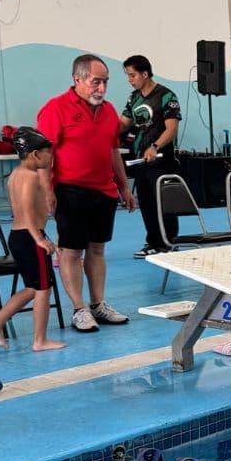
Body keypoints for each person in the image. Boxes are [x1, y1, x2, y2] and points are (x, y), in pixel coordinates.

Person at [36, 54, 137, 334]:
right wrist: (47, 192)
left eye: (105, 82)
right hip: (69, 190)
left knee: (97, 249)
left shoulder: (108, 111)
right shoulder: (55, 109)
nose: (101, 88)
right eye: (96, 82)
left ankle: (98, 304)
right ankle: (79, 309)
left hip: (103, 190)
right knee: (71, 251)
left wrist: (124, 187)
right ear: (77, 79)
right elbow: (44, 156)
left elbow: (113, 152)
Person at [0, 128, 66, 351]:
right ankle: (40, 340)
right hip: (30, 237)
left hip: (18, 236)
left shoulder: (15, 174)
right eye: (48, 153)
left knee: (32, 288)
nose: (51, 158)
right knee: (43, 289)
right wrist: (39, 239)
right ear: (35, 154)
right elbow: (27, 210)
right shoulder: (30, 176)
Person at [118, 55, 181, 258]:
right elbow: (123, 124)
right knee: (146, 203)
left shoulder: (166, 96)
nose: (130, 79)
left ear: (145, 74)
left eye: (132, 75)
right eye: (128, 75)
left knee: (164, 202)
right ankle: (153, 242)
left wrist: (155, 146)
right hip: (140, 160)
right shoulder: (133, 98)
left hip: (161, 160)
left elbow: (171, 129)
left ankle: (169, 242)